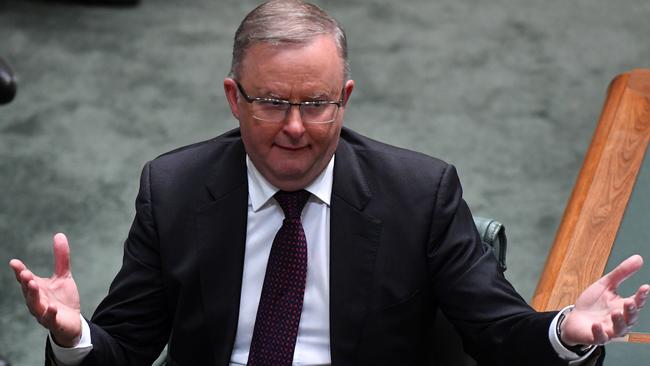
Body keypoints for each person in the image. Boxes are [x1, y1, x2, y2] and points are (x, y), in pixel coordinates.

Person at [9, 1, 649, 365]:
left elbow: (499, 334)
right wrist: (76, 338)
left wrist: (564, 331)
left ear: (344, 98)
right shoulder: (173, 188)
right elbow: (127, 349)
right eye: (270, 102)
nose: (295, 128)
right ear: (234, 98)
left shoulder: (419, 194)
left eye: (316, 104)